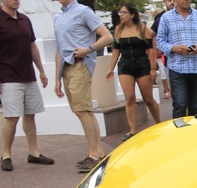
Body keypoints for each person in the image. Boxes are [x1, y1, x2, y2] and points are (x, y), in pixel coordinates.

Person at [54, 0, 113, 173]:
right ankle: (98, 152)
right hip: (66, 66)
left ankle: (94, 154)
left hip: (80, 64)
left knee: (82, 109)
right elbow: (59, 48)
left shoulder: (83, 11)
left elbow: (107, 36)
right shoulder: (58, 16)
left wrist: (88, 49)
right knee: (83, 110)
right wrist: (57, 77)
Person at [0, 0, 53, 172]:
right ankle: (6, 155)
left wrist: (41, 70)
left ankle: (34, 153)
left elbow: (33, 46)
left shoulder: (24, 19)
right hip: (8, 76)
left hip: (28, 76)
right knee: (12, 117)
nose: (17, 0)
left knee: (30, 115)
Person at [106, 3, 161, 142]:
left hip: (142, 64)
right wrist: (110, 69)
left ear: (132, 15)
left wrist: (153, 68)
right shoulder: (118, 29)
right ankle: (132, 130)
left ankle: (159, 124)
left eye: (124, 13)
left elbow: (150, 50)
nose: (121, 15)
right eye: (120, 13)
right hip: (125, 65)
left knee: (148, 98)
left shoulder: (142, 29)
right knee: (129, 98)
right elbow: (116, 51)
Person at [156, 0, 197, 118]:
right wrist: (174, 48)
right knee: (180, 105)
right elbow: (159, 41)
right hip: (177, 68)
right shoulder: (166, 17)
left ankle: (193, 135)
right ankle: (178, 135)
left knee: (195, 107)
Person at [151, 9, 171, 99]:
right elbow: (153, 43)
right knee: (163, 72)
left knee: (169, 72)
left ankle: (170, 89)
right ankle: (166, 90)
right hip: (160, 54)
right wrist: (154, 57)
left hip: (168, 53)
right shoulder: (156, 30)